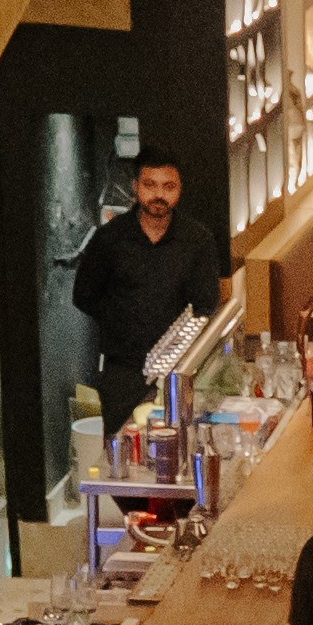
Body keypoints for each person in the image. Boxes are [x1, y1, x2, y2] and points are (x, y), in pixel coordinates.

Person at [68, 147, 223, 427]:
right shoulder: (109, 239)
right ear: (136, 187)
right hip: (123, 370)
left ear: (179, 189)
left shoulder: (198, 240)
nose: (159, 195)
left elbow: (206, 305)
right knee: (122, 451)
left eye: (168, 186)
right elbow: (83, 295)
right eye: (150, 185)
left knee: (180, 444)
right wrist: (120, 321)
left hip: (182, 370)